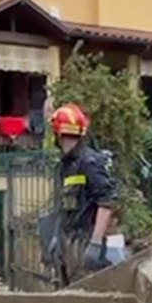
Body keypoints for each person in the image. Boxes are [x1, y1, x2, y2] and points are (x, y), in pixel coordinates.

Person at [50, 103, 117, 286]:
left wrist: (95, 244)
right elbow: (64, 205)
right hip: (68, 240)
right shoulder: (65, 166)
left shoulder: (89, 162)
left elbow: (107, 201)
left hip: (85, 240)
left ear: (57, 133)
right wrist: (57, 236)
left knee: (85, 299)